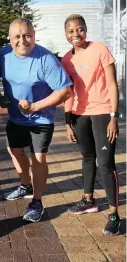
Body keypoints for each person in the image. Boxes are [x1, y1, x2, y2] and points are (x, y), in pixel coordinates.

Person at [0, 18, 72, 223]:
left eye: (27, 35)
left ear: (34, 34)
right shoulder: (2, 55)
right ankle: (25, 185)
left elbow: (65, 91)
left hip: (41, 120)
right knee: (15, 151)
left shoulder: (46, 59)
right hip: (15, 118)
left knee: (38, 159)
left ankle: (37, 201)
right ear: (10, 39)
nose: (23, 40)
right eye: (17, 37)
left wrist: (36, 106)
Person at [61, 14, 121, 235]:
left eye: (79, 29)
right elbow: (68, 93)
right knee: (87, 158)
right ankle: (89, 200)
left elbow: (113, 85)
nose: (75, 34)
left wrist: (115, 116)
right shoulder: (66, 60)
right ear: (65, 34)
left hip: (103, 112)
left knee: (106, 164)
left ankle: (114, 214)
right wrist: (68, 122)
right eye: (70, 31)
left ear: (85, 29)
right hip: (79, 115)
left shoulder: (100, 49)